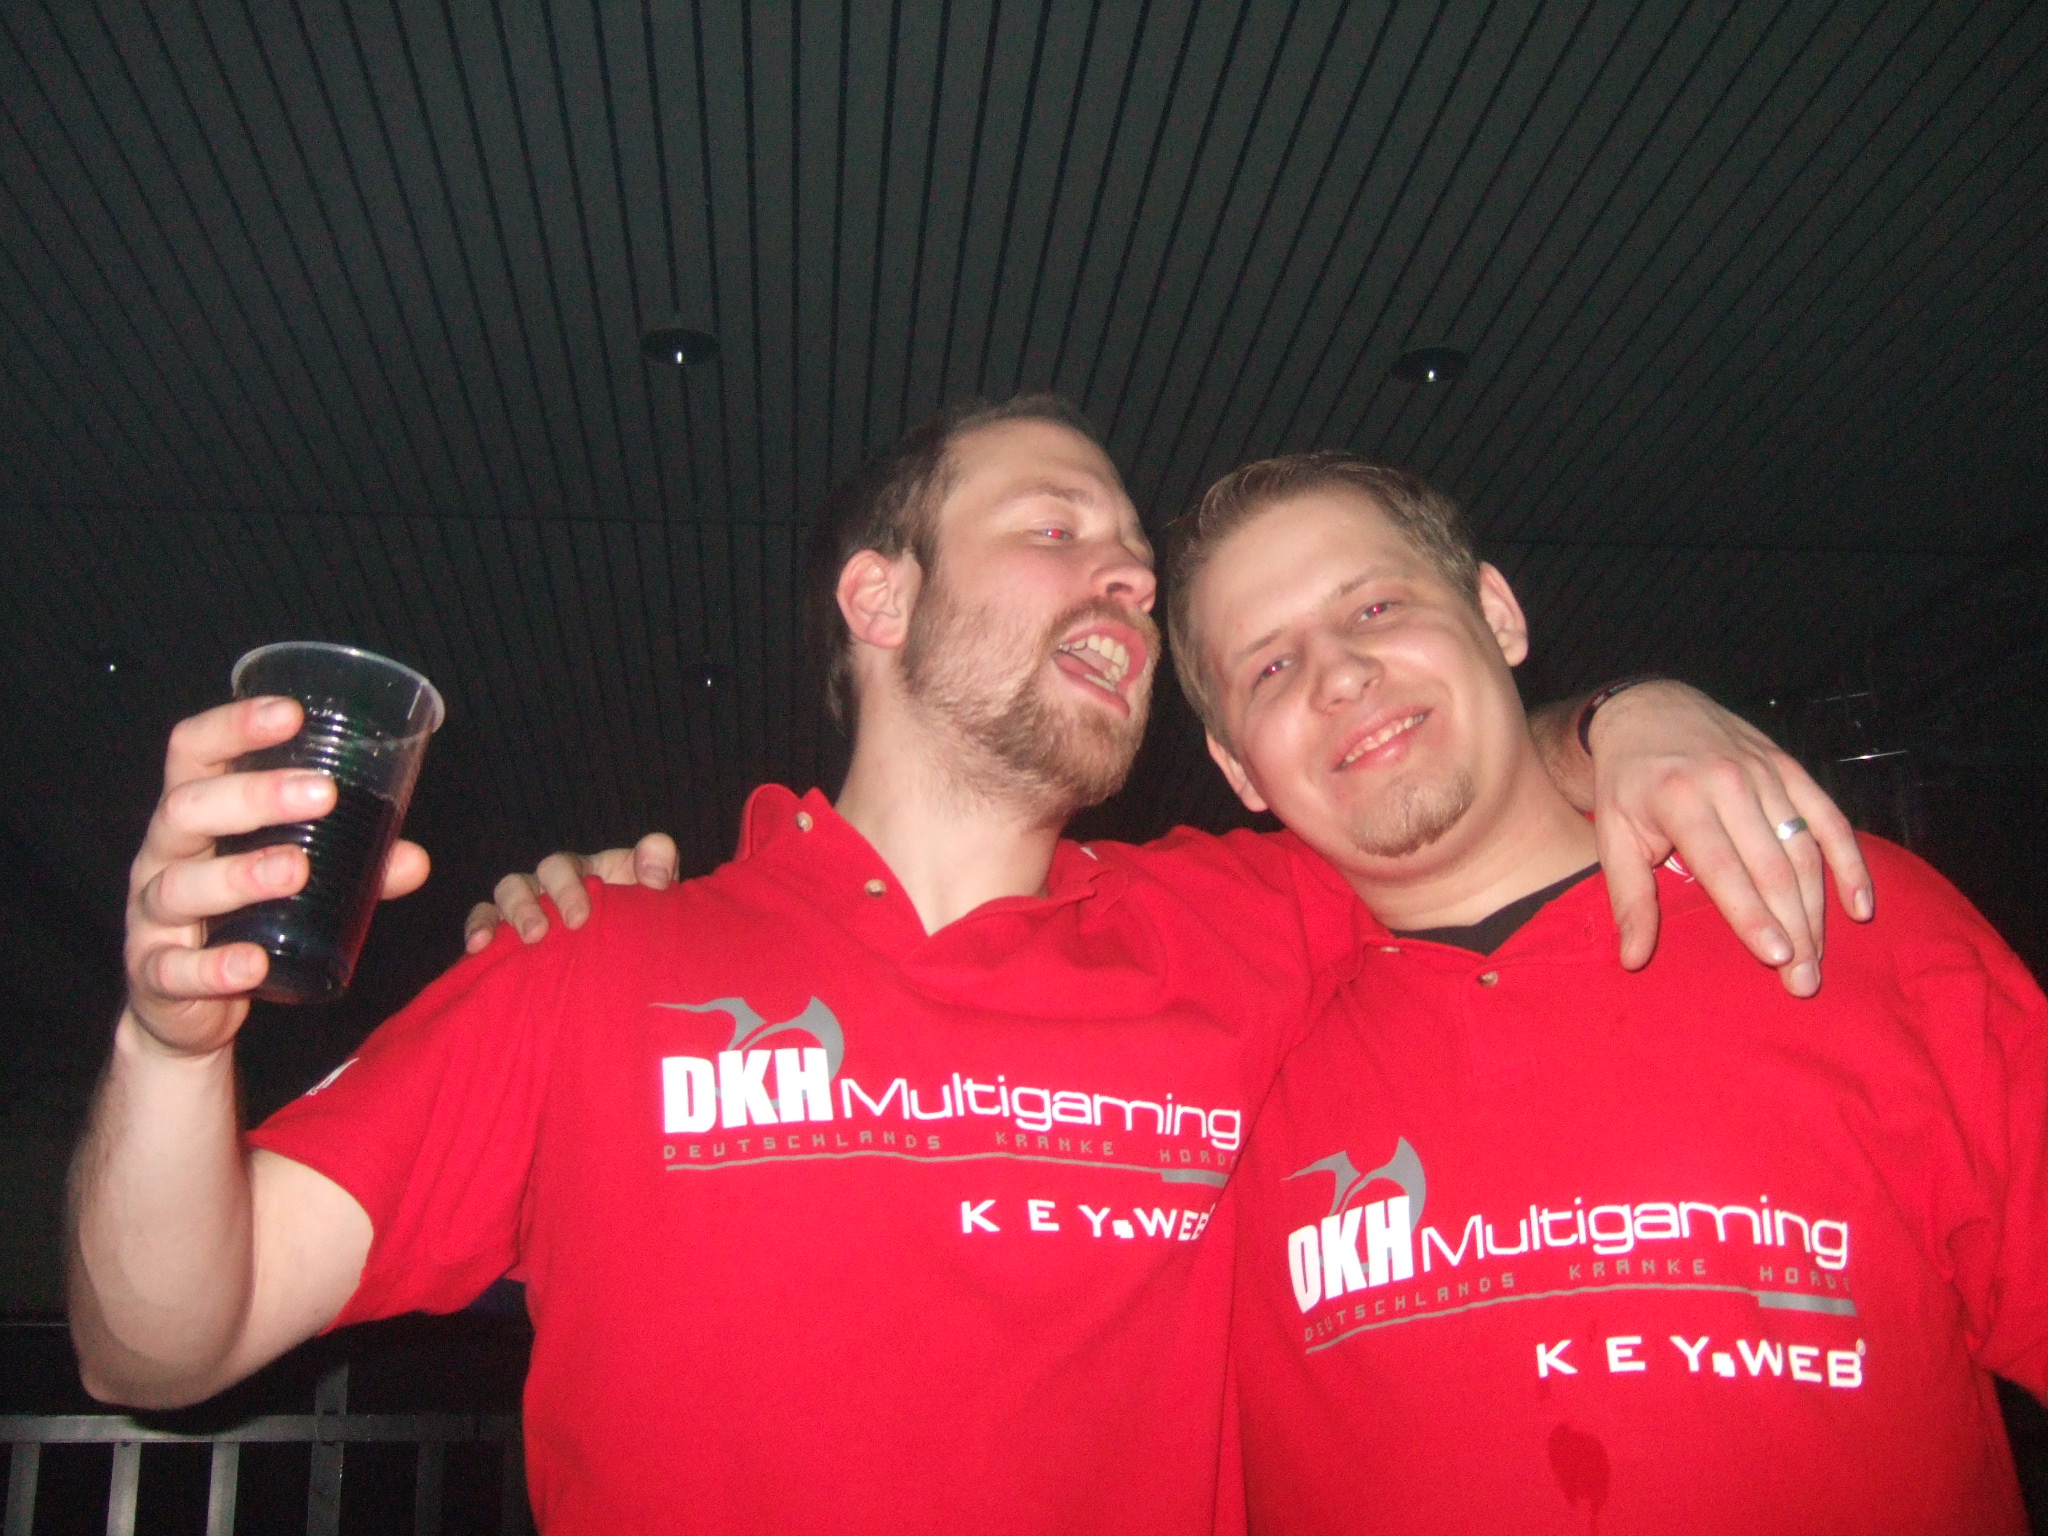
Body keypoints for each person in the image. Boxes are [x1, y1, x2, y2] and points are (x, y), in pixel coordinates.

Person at [74, 396, 1866, 1536]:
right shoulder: (597, 962)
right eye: (1057, 529)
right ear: (880, 599)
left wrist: (1628, 716)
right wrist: (170, 1040)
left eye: (1138, 574)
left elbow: (1441, 788)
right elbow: (164, 1339)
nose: (1125, 585)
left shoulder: (1247, 923)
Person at [1159, 453, 2047, 1533]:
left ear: (1496, 612)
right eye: (1268, 667)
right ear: (1237, 769)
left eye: (1376, 607)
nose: (1336, 676)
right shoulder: (1205, 1066)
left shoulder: (1841, 910)